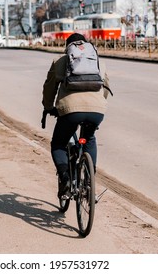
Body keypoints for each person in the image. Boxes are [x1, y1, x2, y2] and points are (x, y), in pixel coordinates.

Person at [42, 33, 111, 199]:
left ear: (68, 48)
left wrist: (48, 107)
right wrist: (97, 105)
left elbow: (50, 87)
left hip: (70, 111)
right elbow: (106, 87)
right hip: (97, 111)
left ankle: (65, 178)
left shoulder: (61, 60)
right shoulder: (97, 61)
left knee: (59, 144)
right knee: (89, 139)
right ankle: (89, 181)